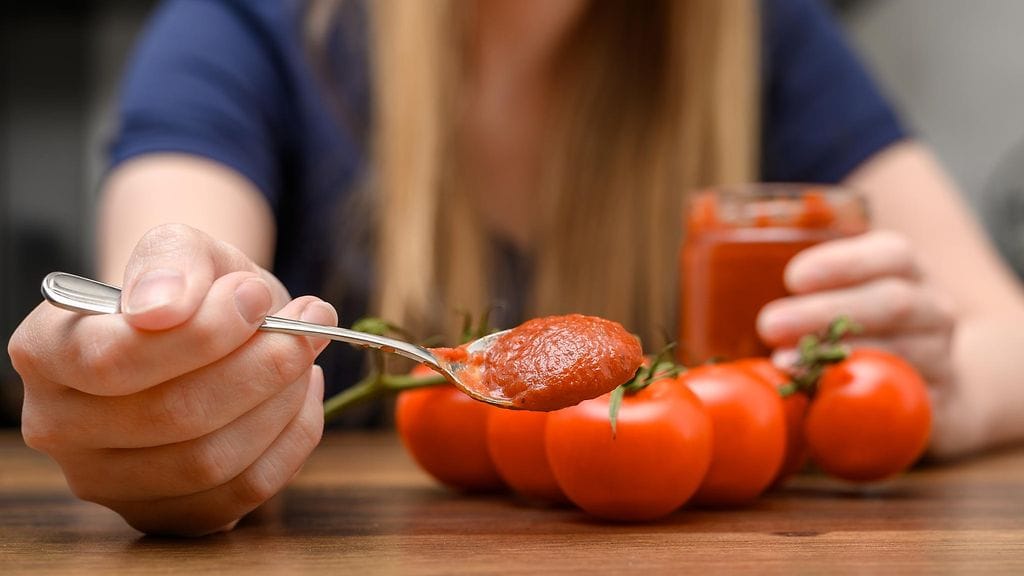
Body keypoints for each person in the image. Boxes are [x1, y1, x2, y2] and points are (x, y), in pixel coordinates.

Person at [7, 0, 1024, 536]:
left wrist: (939, 393)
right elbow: (170, 261)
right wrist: (162, 379)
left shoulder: (762, 31)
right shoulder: (244, 27)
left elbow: (1007, 333)